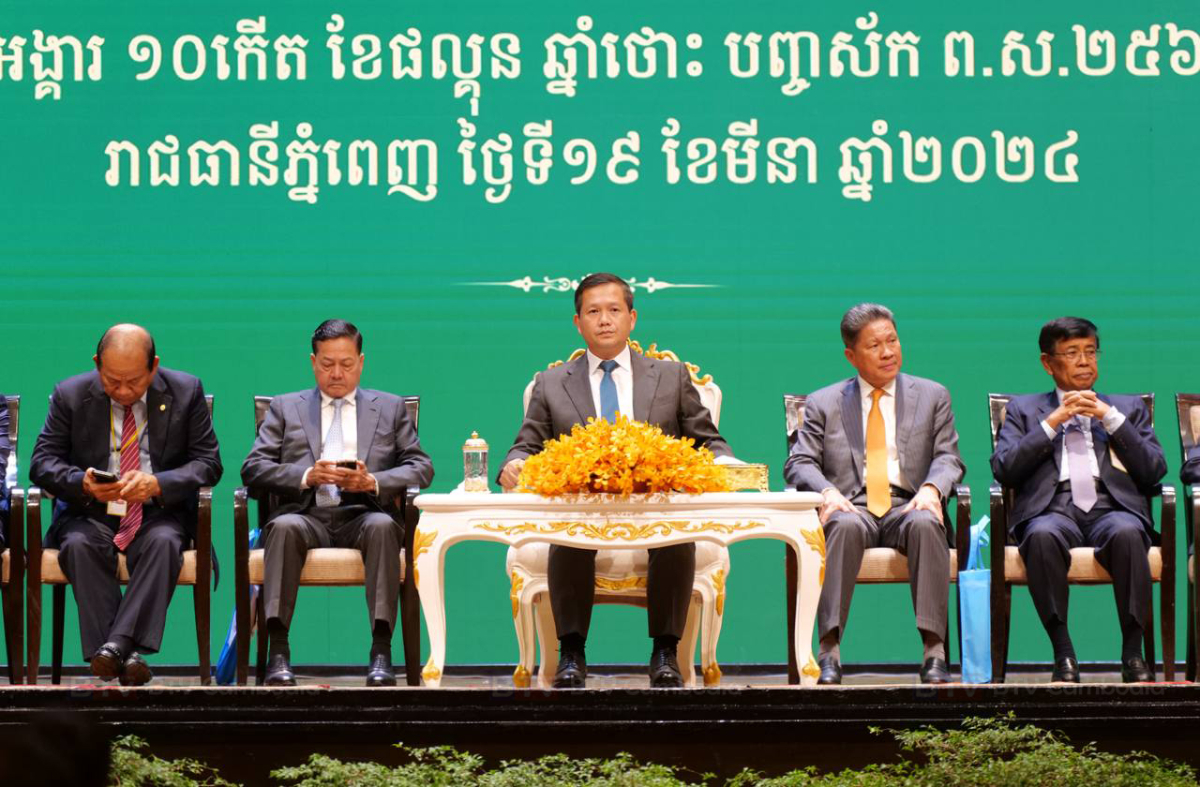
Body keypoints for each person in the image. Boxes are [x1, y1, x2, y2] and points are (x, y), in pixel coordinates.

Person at [498, 272, 736, 689]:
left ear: (632, 318)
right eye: (593, 312)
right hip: (582, 509)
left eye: (614, 310)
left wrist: (728, 465)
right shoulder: (551, 384)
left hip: (655, 506)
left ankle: (665, 651)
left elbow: (708, 441)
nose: (604, 320)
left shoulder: (671, 376)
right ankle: (571, 652)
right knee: (569, 533)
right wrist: (514, 465)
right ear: (578, 323)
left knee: (676, 533)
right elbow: (526, 445)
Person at [241, 319, 434, 687]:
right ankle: (278, 652)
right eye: (327, 364)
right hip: (305, 514)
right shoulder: (285, 407)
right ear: (313, 362)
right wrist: (305, 476)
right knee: (283, 528)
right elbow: (253, 468)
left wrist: (372, 481)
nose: (336, 374)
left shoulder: (389, 407)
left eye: (346, 364)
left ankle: (381, 652)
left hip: (364, 513)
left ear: (361, 362)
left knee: (383, 527)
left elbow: (421, 467)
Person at [29, 324, 222, 686]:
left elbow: (209, 464)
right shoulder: (70, 394)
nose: (122, 391)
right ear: (97, 363)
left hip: (157, 512)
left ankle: (113, 647)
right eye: (111, 380)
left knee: (164, 544)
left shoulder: (186, 391)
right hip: (90, 513)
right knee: (78, 545)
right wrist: (82, 483)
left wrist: (158, 483)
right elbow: (41, 464)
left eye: (133, 381)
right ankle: (126, 654)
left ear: (154, 366)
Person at [783, 303, 965, 685]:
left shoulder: (932, 395)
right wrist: (827, 492)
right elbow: (799, 462)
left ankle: (934, 651)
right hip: (853, 505)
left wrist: (932, 489)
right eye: (874, 345)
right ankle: (828, 651)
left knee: (926, 523)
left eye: (892, 341)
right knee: (843, 526)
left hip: (909, 503)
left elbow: (948, 457)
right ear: (851, 356)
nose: (887, 352)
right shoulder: (824, 402)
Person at [991, 316, 1166, 684]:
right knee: (1041, 536)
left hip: (1112, 507)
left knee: (1128, 533)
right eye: (1072, 353)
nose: (1085, 361)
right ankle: (1063, 652)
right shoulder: (1023, 410)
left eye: (1090, 351)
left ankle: (1133, 653)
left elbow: (1153, 470)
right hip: (1052, 508)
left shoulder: (1127, 408)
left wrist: (1110, 419)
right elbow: (1005, 469)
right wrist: (1054, 421)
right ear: (1048, 363)